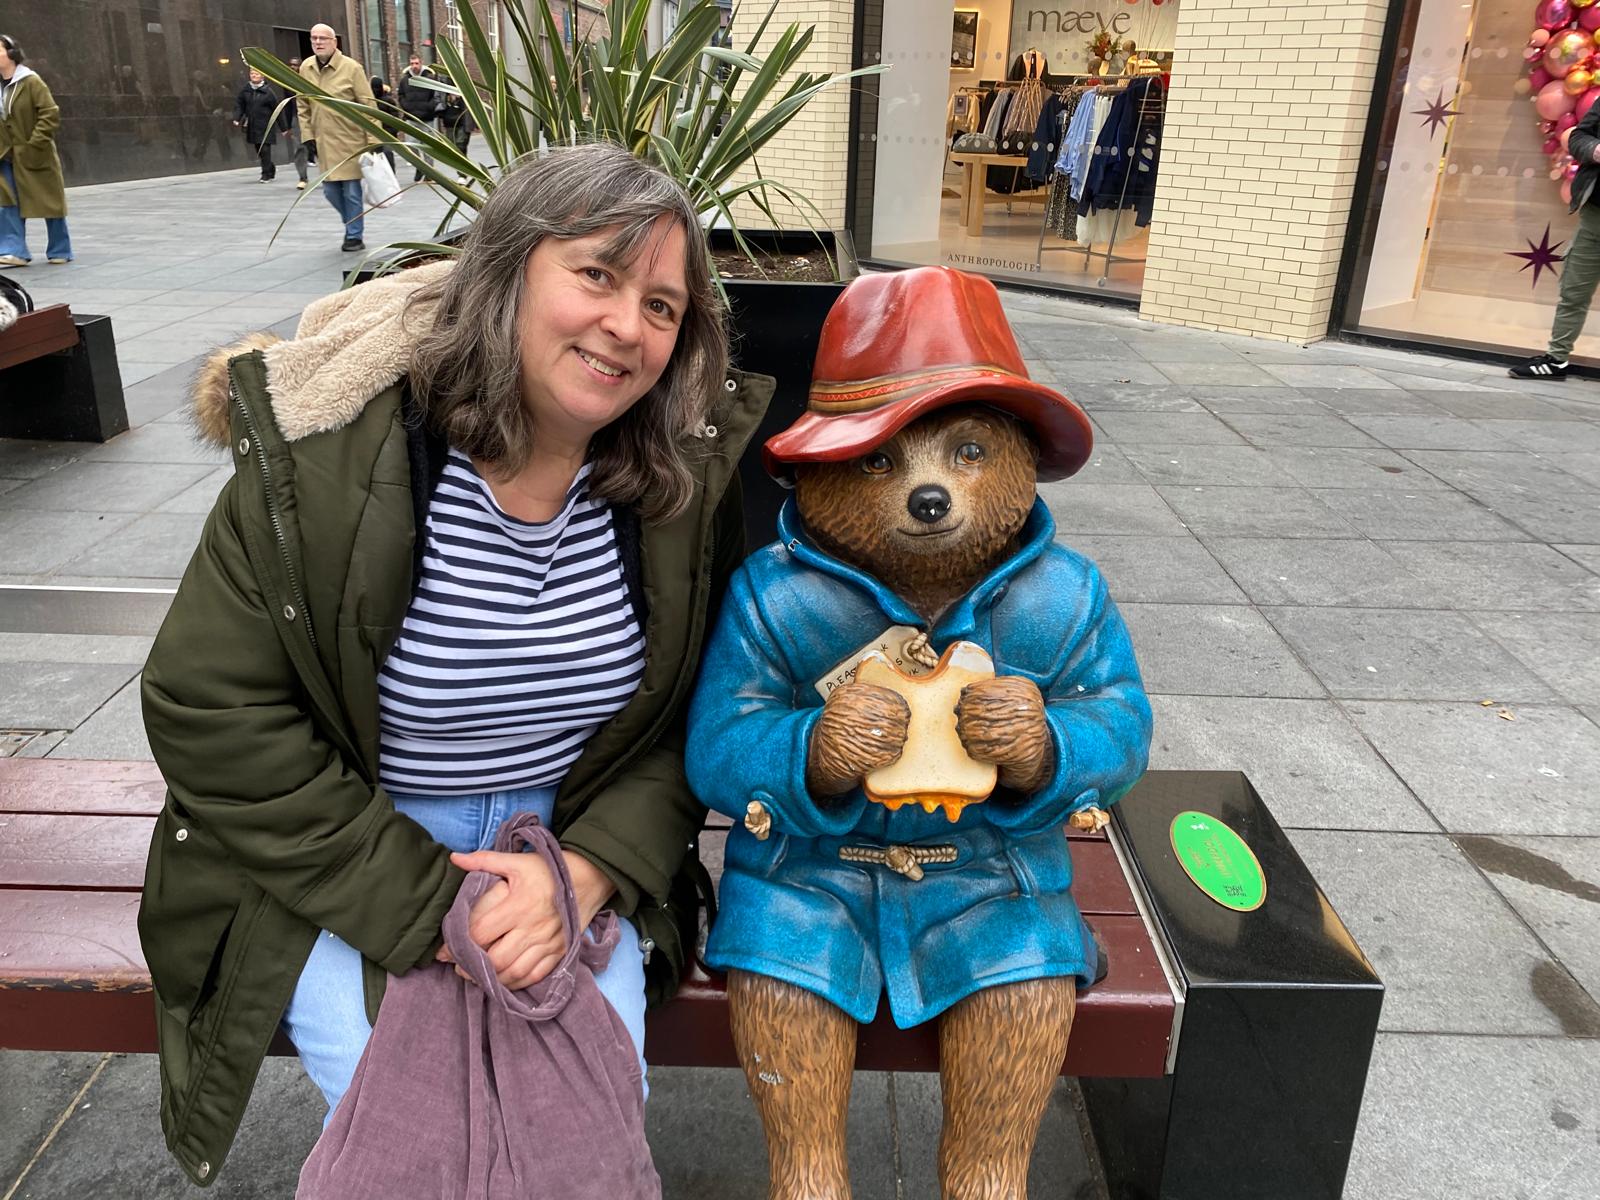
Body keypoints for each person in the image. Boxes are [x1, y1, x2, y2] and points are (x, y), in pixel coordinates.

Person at [136, 141, 773, 1187]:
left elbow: (690, 719)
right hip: (347, 843)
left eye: (664, 306)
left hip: (561, 839)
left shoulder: (677, 486)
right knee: (411, 1132)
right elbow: (210, 705)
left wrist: (588, 871)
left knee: (587, 1130)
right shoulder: (331, 454)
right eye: (598, 275)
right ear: (509, 270)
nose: (628, 325)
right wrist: (426, 902)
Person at [1512, 102, 1600, 379]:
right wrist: (1595, 150)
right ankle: (1556, 359)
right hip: (1594, 220)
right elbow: (1577, 137)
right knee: (1573, 292)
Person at [298, 23, 376, 251]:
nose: (318, 42)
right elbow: (303, 105)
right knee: (330, 191)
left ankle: (354, 235)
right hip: (324, 142)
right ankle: (351, 222)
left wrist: (373, 140)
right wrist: (307, 136)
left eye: (323, 38)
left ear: (335, 42)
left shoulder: (351, 68)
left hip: (351, 141)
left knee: (352, 192)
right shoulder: (306, 67)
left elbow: (368, 104)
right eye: (314, 39)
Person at [0, 34, 71, 266]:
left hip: (34, 154)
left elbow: (49, 113)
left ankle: (60, 249)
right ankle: (14, 251)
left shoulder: (30, 81)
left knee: (50, 203)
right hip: (6, 156)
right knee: (8, 203)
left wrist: (35, 143)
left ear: (11, 54)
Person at [233, 68, 289, 182]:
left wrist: (284, 128)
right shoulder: (246, 90)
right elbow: (240, 104)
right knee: (259, 150)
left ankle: (266, 174)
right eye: (252, 73)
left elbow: (277, 110)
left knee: (265, 150)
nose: (254, 76)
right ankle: (270, 168)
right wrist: (237, 118)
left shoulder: (268, 92)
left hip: (265, 126)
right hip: (253, 126)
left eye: (256, 74)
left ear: (262, 76)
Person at [395, 52, 438, 181]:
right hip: (411, 118)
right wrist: (406, 106)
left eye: (416, 63)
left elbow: (435, 96)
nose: (414, 66)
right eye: (412, 63)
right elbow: (401, 96)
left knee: (428, 147)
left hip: (427, 119)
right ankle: (419, 167)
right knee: (411, 145)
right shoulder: (405, 80)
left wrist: (428, 108)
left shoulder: (429, 78)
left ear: (421, 63)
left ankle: (429, 172)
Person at [283, 57, 310, 190]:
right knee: (299, 149)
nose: (292, 67)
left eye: (295, 65)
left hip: (314, 117)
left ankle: (330, 175)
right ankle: (303, 178)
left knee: (323, 147)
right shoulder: (288, 83)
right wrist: (287, 126)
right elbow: (287, 105)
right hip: (297, 118)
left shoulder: (310, 79)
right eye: (290, 65)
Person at [439, 90, 474, 184]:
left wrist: (459, 98)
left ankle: (462, 174)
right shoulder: (444, 92)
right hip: (449, 123)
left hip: (463, 123)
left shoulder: (463, 90)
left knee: (461, 146)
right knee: (453, 149)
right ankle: (464, 170)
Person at [369, 75, 398, 172]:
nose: (375, 90)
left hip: (386, 133)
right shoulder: (369, 101)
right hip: (375, 133)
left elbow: (395, 118)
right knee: (376, 155)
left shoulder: (388, 101)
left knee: (387, 153)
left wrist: (392, 131)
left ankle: (390, 173)